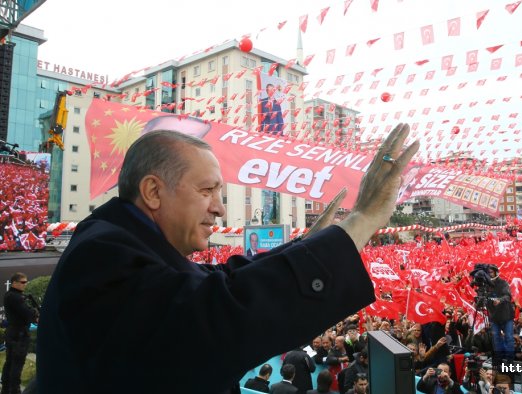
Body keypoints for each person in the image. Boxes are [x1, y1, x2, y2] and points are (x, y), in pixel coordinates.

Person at [36, 123, 419, 393]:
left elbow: (221, 278)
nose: (220, 209)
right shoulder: (103, 255)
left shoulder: (132, 247)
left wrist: (312, 244)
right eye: (207, 190)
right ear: (153, 191)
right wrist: (363, 219)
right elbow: (216, 314)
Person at [2, 272, 39, 394]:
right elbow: (27, 313)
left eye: (26, 282)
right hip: (19, 334)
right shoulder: (15, 297)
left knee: (10, 362)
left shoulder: (11, 295)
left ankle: (6, 389)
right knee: (16, 364)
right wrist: (35, 314)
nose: (25, 284)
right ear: (14, 283)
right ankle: (14, 390)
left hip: (14, 332)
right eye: (23, 282)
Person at [486, 265, 515, 362]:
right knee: (496, 339)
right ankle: (498, 359)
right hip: (494, 317)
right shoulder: (486, 285)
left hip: (506, 316)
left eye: (491, 272)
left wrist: (500, 300)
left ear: (496, 273)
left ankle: (509, 360)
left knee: (509, 338)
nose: (489, 274)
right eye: (488, 272)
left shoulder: (503, 283)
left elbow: (508, 296)